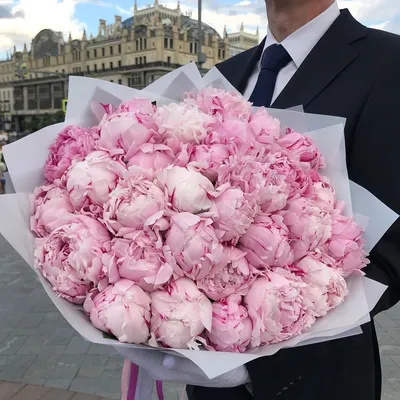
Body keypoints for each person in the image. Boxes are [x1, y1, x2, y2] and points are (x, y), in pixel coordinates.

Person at [118, 1, 400, 398]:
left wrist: (266, 341)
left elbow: (393, 249)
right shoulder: (222, 78)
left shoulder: (389, 63)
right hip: (209, 383)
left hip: (317, 379)